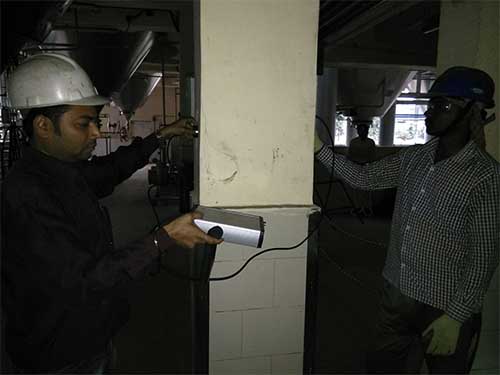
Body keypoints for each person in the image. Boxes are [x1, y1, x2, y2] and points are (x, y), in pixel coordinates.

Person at [1, 53, 222, 373]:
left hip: (90, 336)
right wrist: (163, 239)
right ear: (43, 126)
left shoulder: (60, 171)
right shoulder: (27, 196)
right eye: (83, 123)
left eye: (96, 121)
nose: (96, 133)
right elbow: (85, 279)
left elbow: (108, 171)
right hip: (61, 354)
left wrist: (161, 136)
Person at [314, 66, 499, 374]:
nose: (430, 113)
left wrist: (456, 316)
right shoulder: (414, 157)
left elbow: (483, 257)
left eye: (443, 106)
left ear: (472, 112)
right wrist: (319, 148)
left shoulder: (485, 176)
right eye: (431, 105)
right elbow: (364, 177)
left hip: (443, 306)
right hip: (396, 295)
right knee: (382, 367)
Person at [347, 121, 377, 215]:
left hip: (367, 168)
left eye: (364, 131)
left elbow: (373, 155)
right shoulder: (353, 142)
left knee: (367, 190)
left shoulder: (370, 142)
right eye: (361, 130)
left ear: (367, 131)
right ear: (358, 131)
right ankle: (357, 207)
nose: (363, 132)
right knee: (356, 190)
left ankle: (367, 207)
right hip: (356, 167)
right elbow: (350, 155)